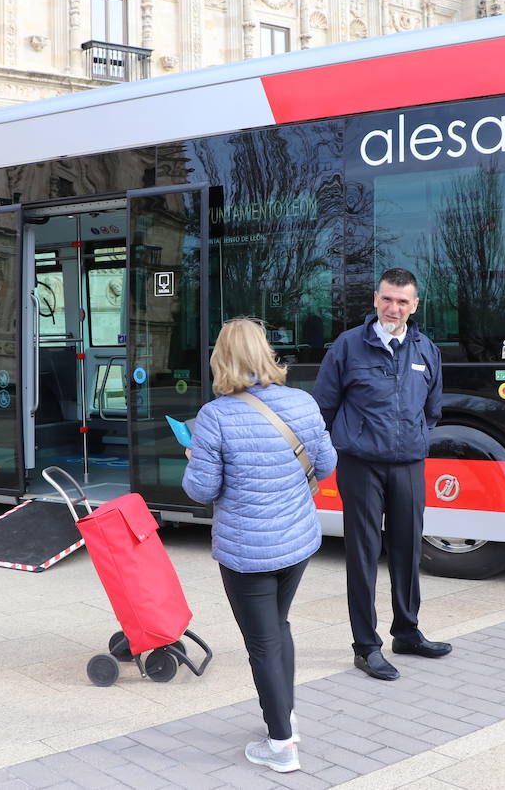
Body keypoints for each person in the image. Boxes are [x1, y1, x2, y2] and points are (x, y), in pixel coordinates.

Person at [182, 317, 337, 774]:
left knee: (262, 643)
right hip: (297, 543)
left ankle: (282, 744)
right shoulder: (303, 402)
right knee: (278, 627)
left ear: (221, 358)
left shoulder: (216, 416)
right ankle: (284, 715)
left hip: (247, 551)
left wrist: (194, 456)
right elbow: (325, 465)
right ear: (266, 352)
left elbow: (201, 490)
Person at [312, 267, 447, 681]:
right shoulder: (348, 346)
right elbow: (324, 407)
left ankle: (407, 632)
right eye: (387, 299)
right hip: (360, 464)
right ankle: (366, 646)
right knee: (364, 553)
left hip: (408, 463)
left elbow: (433, 410)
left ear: (415, 305)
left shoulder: (427, 350)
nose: (394, 308)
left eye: (403, 301)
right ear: (375, 299)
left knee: (407, 549)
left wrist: (413, 438)